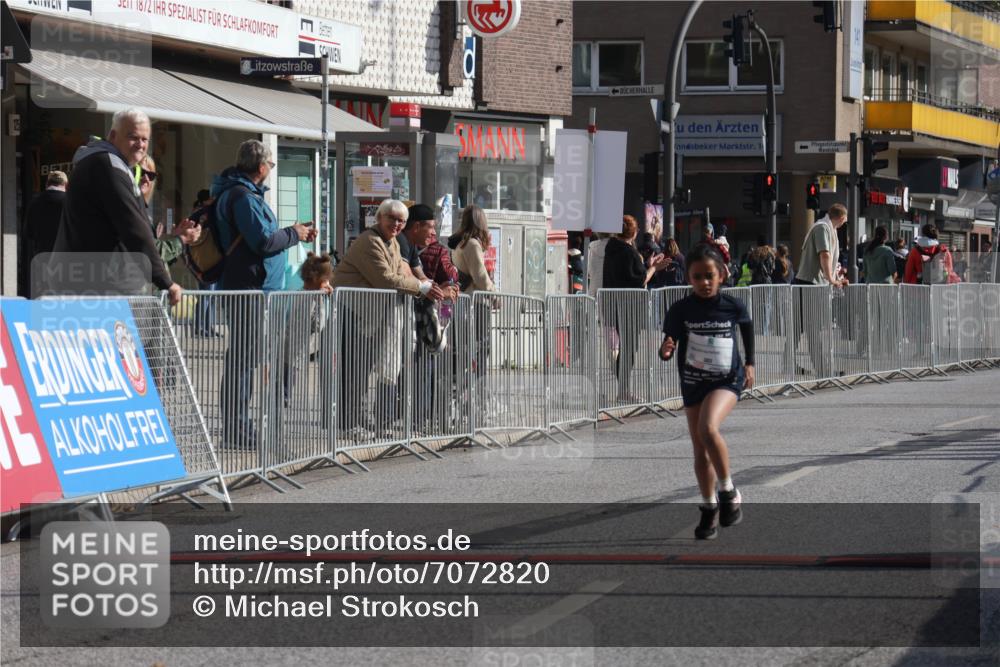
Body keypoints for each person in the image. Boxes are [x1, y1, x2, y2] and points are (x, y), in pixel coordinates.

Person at [211, 139, 316, 449]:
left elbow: (262, 238)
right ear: (260, 167)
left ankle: (239, 427)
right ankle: (238, 429)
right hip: (248, 289)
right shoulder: (242, 197)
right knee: (243, 361)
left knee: (244, 359)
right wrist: (294, 234)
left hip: (254, 288)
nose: (271, 169)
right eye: (270, 165)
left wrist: (291, 234)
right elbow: (264, 242)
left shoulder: (244, 194)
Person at [660, 243, 754, 540]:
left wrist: (750, 364)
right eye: (697, 276)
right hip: (693, 380)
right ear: (689, 278)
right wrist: (665, 349)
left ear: (721, 275)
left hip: (726, 379)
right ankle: (709, 507)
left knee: (708, 428)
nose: (704, 282)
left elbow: (747, 334)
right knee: (700, 447)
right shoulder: (680, 309)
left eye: (709, 276)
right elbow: (668, 342)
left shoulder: (733, 306)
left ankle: (727, 491)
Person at [332, 199, 445, 435]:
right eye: (391, 218)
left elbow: (399, 274)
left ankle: (361, 419)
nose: (396, 224)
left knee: (365, 370)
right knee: (355, 371)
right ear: (379, 218)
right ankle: (348, 424)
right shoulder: (370, 241)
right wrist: (422, 287)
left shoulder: (391, 242)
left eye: (401, 221)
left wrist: (419, 284)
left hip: (370, 314)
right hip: (353, 311)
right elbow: (386, 279)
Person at [51, 108, 182, 305]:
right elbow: (133, 227)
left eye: (145, 139)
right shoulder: (109, 166)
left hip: (86, 282)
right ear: (113, 136)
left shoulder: (106, 163)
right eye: (133, 137)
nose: (140, 145)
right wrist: (165, 281)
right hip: (94, 288)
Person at [603, 215, 670, 401]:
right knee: (629, 349)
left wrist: (646, 265)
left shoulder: (611, 249)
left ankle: (622, 389)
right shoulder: (629, 252)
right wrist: (654, 268)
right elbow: (639, 280)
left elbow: (629, 274)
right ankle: (623, 390)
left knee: (624, 349)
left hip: (612, 305)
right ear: (634, 232)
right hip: (628, 307)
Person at [795, 203, 849, 378]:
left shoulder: (826, 228)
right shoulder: (823, 228)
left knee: (800, 327)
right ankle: (822, 369)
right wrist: (831, 278)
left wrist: (835, 276)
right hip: (811, 284)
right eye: (845, 220)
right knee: (811, 329)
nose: (844, 223)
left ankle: (790, 364)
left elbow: (828, 257)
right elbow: (824, 254)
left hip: (811, 283)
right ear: (842, 218)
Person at [449, 205, 496, 385]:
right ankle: (478, 395)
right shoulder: (472, 244)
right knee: (481, 349)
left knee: (466, 349)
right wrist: (495, 296)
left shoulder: (460, 243)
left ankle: (468, 391)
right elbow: (481, 276)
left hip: (464, 303)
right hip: (475, 304)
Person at [138, 155, 200, 266]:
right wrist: (180, 239)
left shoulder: (168, 211)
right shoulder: (135, 211)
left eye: (151, 175)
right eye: (141, 172)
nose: (146, 179)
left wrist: (176, 237)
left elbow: (158, 260)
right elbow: (153, 255)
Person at [24, 170, 67, 268]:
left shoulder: (34, 203)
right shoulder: (71, 202)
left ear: (47, 183)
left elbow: (28, 233)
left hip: (42, 257)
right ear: (66, 184)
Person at [586, 233, 609, 298]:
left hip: (594, 289)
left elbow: (588, 270)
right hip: (610, 291)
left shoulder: (591, 246)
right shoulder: (616, 247)